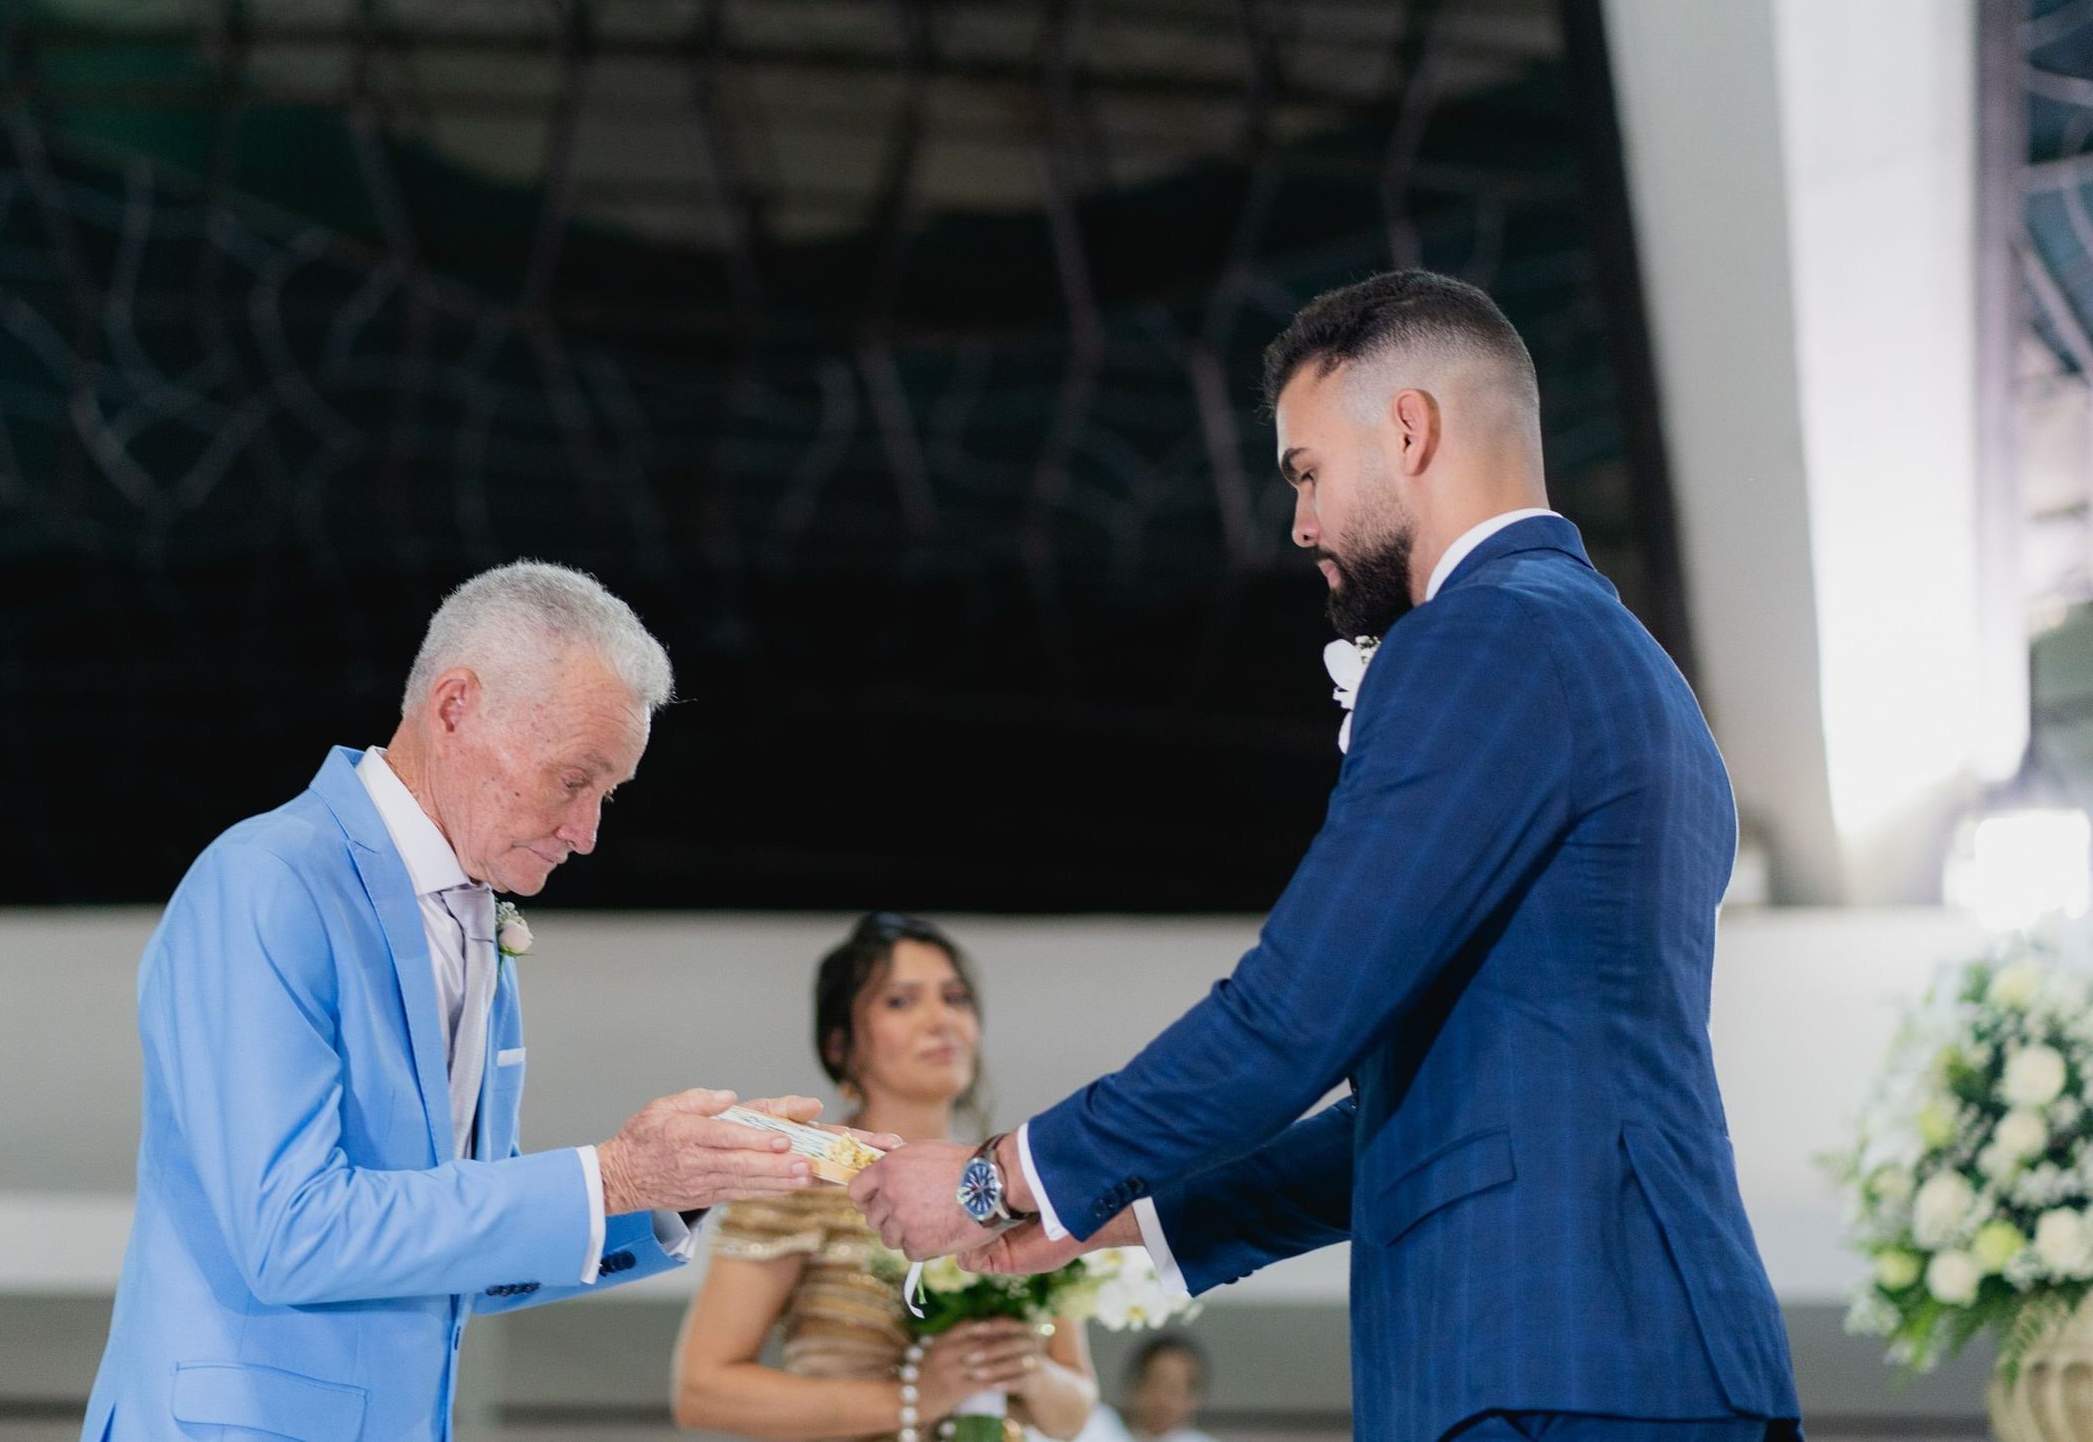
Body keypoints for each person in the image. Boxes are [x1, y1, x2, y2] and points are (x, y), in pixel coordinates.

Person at [850, 272, 1802, 1442]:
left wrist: (996, 1176)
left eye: (1306, 471)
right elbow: (1439, 1112)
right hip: (1636, 1356)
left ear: (1409, 429)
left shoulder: (1483, 637)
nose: (1299, 524)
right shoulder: (1633, 670)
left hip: (1543, 1359)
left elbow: (1292, 1014)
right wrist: (1108, 1219)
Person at [83, 561, 827, 1442]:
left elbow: (467, 1248)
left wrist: (675, 1189)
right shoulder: (269, 881)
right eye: (572, 780)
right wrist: (612, 1173)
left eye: (608, 794)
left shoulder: (474, 919)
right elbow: (292, 1231)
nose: (588, 833)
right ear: (454, 707)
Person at [673, 913, 1097, 1442]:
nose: (940, 1019)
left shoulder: (1012, 1182)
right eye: (901, 1001)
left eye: (955, 997)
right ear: (839, 1045)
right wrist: (914, 1399)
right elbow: (702, 1390)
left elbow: (1076, 1410)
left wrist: (1029, 1371)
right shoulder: (799, 1183)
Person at [1074, 1337, 1215, 1442]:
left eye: (1174, 1390)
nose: (1163, 1399)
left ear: (1193, 1399)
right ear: (1133, 1385)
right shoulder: (1096, 1428)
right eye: (1157, 1384)